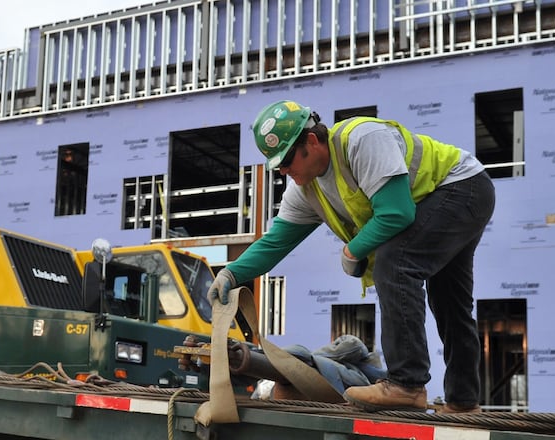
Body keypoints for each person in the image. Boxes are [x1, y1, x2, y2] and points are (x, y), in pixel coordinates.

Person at [207, 100, 495, 413]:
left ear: (313, 141)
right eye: (279, 167)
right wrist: (232, 273)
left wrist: (351, 249)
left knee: (395, 262)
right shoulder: (306, 190)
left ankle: (406, 384)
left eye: (288, 160)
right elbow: (276, 242)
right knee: (449, 300)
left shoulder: (361, 140)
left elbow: (397, 213)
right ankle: (463, 401)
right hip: (458, 197)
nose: (285, 171)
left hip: (462, 187)